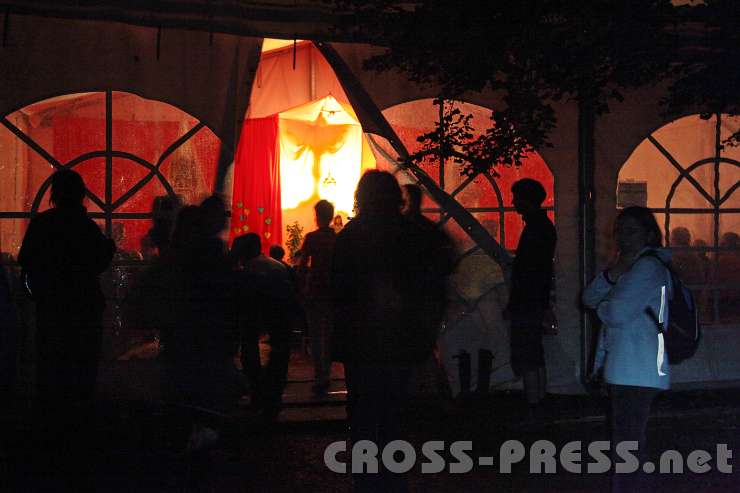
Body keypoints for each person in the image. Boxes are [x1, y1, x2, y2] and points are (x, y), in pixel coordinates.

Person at [332, 170, 446, 493]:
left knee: (364, 413)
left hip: (362, 342)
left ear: (362, 197)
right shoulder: (410, 234)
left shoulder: (352, 235)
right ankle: (394, 477)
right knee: (394, 414)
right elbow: (431, 283)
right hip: (400, 340)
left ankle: (366, 479)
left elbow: (339, 290)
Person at [582, 206, 671, 493]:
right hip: (628, 366)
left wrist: (605, 305)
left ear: (649, 234)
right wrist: (613, 275)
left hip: (637, 366)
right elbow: (588, 298)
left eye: (631, 231)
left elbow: (616, 312)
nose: (623, 237)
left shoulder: (648, 268)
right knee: (627, 443)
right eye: (620, 231)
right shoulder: (628, 269)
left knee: (627, 446)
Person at [19, 169, 115, 408]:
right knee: (82, 372)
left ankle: (51, 418)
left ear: (55, 195)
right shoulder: (86, 227)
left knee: (51, 370)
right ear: (81, 194)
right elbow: (98, 262)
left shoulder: (42, 224)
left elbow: (25, 259)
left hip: (51, 308)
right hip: (84, 309)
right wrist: (109, 248)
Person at [504, 178, 556, 412]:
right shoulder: (543, 227)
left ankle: (533, 401)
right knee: (534, 351)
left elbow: (527, 272)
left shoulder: (535, 229)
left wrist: (515, 301)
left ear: (526, 200)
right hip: (534, 300)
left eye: (516, 198)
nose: (513, 202)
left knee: (526, 352)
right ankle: (538, 398)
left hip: (527, 302)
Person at [232, 232, 294, 421]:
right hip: (280, 316)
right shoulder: (278, 266)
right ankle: (272, 396)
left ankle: (259, 394)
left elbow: (246, 302)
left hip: (259, 316)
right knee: (278, 355)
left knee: (250, 352)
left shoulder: (249, 271)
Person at [299, 199, 337, 395]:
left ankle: (319, 375)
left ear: (318, 216)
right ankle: (326, 374)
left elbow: (303, 265)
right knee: (328, 335)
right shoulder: (337, 239)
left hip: (314, 291)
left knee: (315, 335)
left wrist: (302, 286)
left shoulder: (312, 238)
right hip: (331, 292)